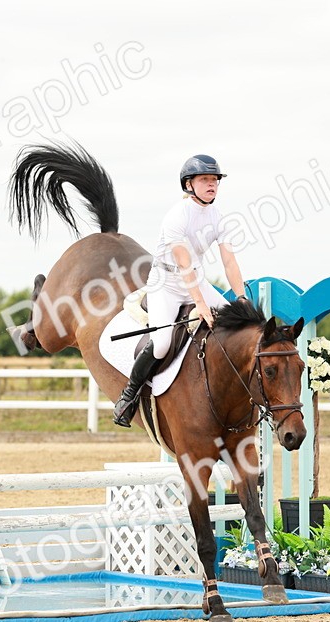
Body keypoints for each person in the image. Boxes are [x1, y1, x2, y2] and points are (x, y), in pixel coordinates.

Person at [112, 154, 249, 427]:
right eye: (205, 180)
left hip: (196, 279)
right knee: (162, 343)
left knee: (237, 326)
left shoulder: (219, 217)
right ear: (189, 184)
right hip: (166, 283)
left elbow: (229, 261)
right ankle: (129, 395)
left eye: (215, 180)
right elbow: (184, 264)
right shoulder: (176, 216)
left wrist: (241, 297)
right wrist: (199, 305)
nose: (212, 185)